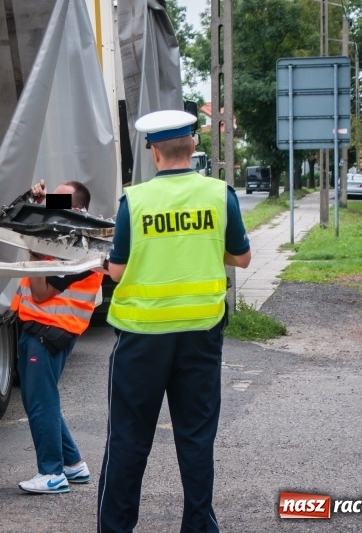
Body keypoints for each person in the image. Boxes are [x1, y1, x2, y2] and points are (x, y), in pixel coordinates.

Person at [96, 110, 252, 531]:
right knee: (196, 439)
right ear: (194, 147)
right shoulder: (221, 195)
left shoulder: (136, 200)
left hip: (142, 337)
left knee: (129, 441)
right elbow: (242, 257)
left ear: (153, 152)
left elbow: (116, 271)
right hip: (200, 336)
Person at [12, 180, 103, 494]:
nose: (50, 203)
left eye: (57, 200)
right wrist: (36, 206)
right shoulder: (65, 239)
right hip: (47, 330)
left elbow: (40, 293)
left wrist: (32, 245)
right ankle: (73, 465)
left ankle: (51, 473)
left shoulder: (77, 249)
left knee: (41, 403)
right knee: (42, 400)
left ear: (77, 209)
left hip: (46, 331)